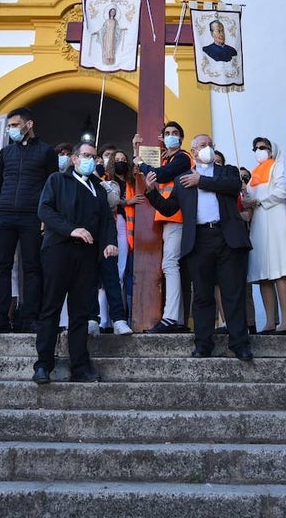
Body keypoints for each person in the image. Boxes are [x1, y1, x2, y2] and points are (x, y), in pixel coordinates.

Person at [144, 134, 253, 360]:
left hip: (227, 238)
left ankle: (240, 344)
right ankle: (203, 344)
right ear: (193, 152)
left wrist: (201, 181)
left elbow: (233, 187)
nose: (208, 148)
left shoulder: (227, 171)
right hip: (199, 240)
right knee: (202, 295)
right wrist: (152, 191)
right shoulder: (183, 179)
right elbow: (169, 207)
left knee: (233, 293)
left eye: (211, 144)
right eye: (203, 145)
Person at [32, 142, 119, 384]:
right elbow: (45, 211)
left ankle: (80, 365)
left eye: (94, 156)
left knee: (81, 312)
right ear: (74, 159)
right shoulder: (57, 181)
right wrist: (72, 230)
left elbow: (106, 221)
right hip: (58, 252)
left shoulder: (98, 190)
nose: (90, 159)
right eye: (85, 155)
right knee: (50, 307)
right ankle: (43, 365)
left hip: (87, 257)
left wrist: (110, 242)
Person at [0, 108, 59, 335]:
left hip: (32, 216)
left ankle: (29, 319)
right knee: (1, 267)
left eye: (15, 125)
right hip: (4, 215)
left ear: (29, 124)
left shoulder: (46, 152)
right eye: (10, 126)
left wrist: (47, 216)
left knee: (32, 268)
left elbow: (51, 187)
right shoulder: (5, 153)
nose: (11, 130)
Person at [132, 121, 195, 333]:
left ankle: (171, 318)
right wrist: (137, 152)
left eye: (175, 133)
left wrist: (140, 163)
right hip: (168, 215)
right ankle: (175, 318)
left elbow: (161, 174)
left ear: (182, 138)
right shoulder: (167, 157)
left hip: (178, 217)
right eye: (167, 133)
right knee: (170, 266)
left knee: (170, 265)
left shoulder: (183, 158)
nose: (171, 136)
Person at [243, 138, 286, 335]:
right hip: (259, 223)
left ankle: (285, 322)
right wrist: (245, 194)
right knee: (264, 275)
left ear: (271, 149)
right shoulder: (253, 174)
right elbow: (248, 198)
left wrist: (257, 200)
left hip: (276, 218)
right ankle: (270, 322)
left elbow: (280, 192)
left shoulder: (278, 167)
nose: (259, 151)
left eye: (263, 147)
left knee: (280, 271)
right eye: (256, 148)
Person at [105, 149, 140, 331]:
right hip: (114, 224)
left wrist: (135, 148)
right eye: (116, 159)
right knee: (113, 272)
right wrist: (126, 202)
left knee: (123, 270)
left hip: (128, 228)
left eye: (123, 159)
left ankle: (120, 317)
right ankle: (109, 319)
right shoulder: (105, 179)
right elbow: (109, 201)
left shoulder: (131, 181)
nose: (120, 162)